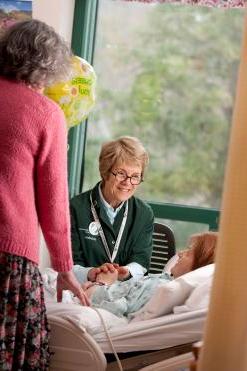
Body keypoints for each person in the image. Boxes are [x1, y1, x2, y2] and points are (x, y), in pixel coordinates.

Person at [0, 19, 89, 370]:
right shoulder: (45, 113)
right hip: (9, 254)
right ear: (49, 66)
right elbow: (53, 201)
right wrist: (64, 267)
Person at [70, 136, 154, 283]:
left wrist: (126, 271)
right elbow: (69, 263)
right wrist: (91, 272)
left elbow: (141, 261)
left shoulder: (144, 214)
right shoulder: (75, 208)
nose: (127, 182)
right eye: (121, 173)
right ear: (105, 172)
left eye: (135, 176)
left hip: (124, 292)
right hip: (82, 289)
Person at [78, 231, 217, 317]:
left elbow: (118, 306)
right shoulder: (165, 279)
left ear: (199, 265)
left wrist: (101, 283)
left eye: (188, 252)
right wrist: (119, 279)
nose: (180, 253)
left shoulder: (159, 286)